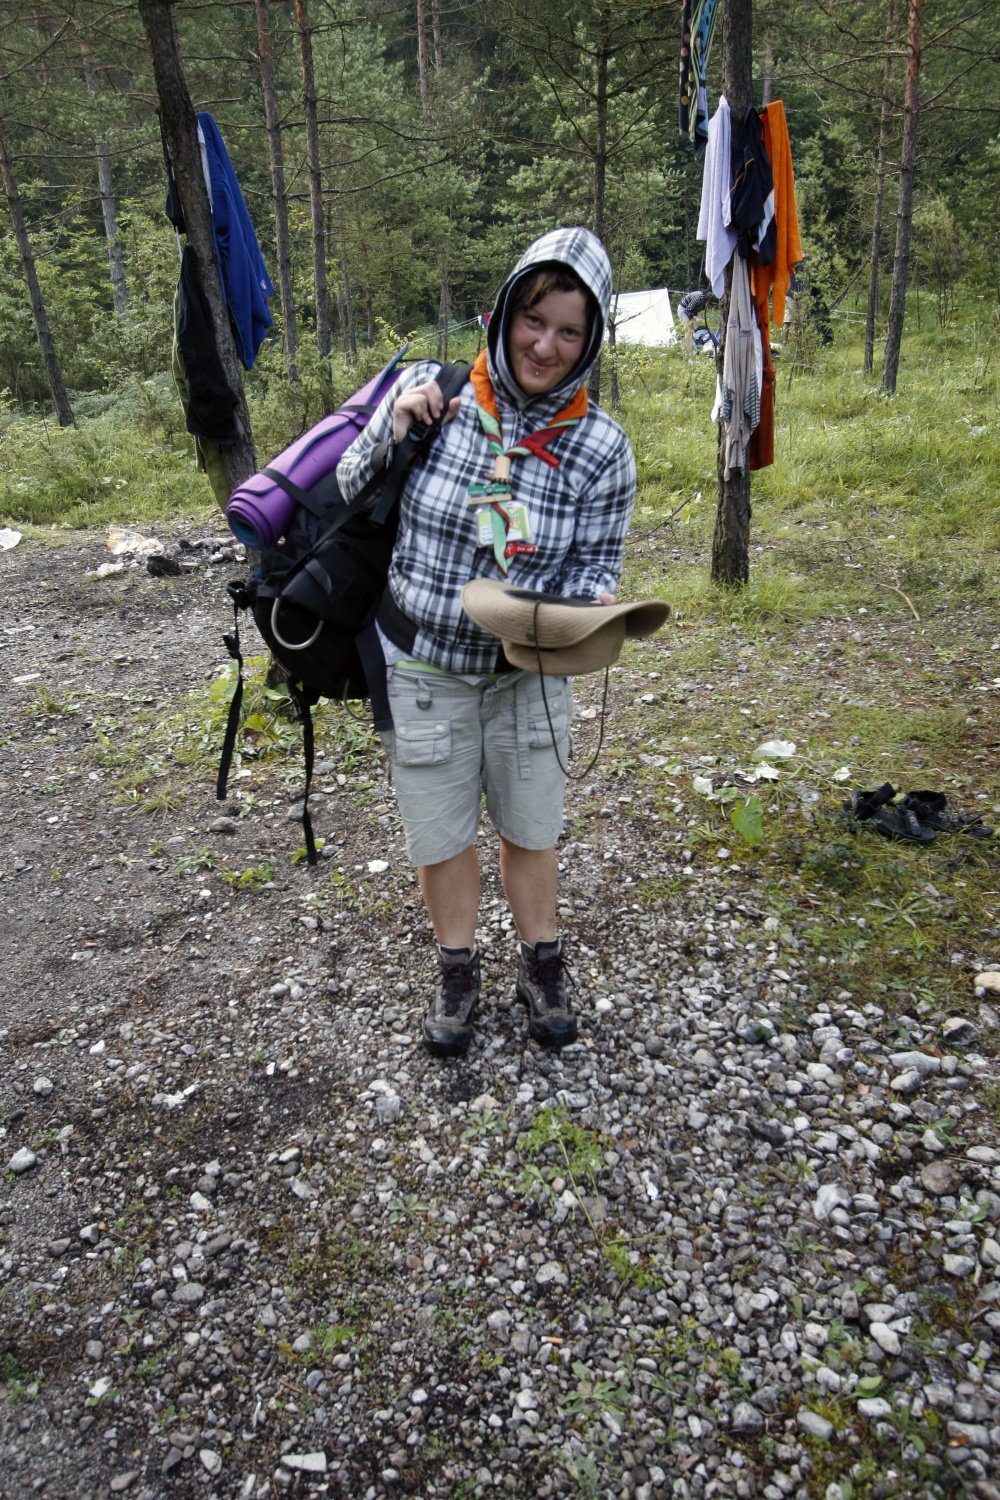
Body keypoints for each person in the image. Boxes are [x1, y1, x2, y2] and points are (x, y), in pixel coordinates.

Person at [336, 227, 636, 1059]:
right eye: (534, 319)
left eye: (570, 331)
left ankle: (542, 965)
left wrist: (592, 605)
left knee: (532, 827)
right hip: (423, 666)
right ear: (505, 311)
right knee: (442, 835)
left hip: (528, 676)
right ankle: (457, 971)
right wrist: (390, 424)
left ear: (591, 341)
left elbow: (595, 566)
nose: (545, 345)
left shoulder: (602, 448)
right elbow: (349, 488)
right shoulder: (436, 394)